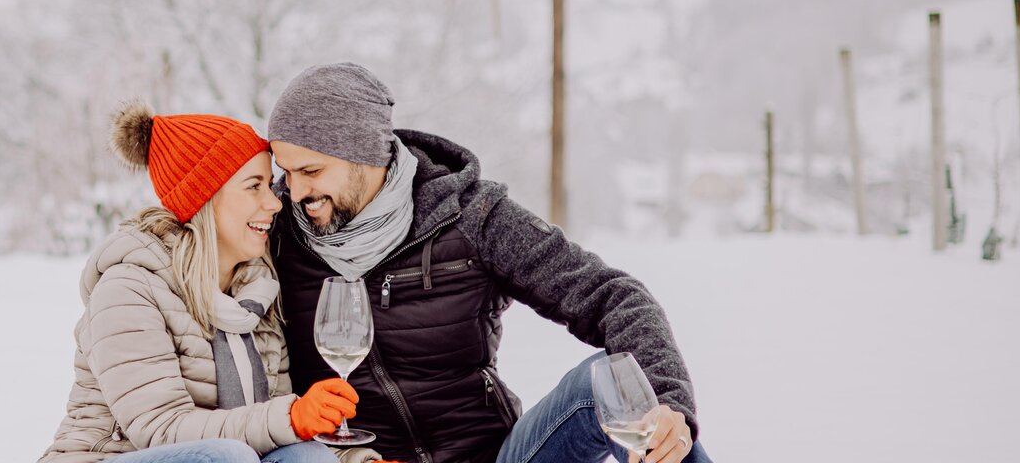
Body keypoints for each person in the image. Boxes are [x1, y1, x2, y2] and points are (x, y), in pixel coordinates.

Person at [264, 63, 712, 463]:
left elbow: (612, 297)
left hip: (492, 456)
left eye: (312, 171)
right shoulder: (274, 231)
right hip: (357, 460)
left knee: (616, 392)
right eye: (286, 171)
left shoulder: (471, 218)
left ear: (364, 154)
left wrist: (671, 403)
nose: (296, 191)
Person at [40, 103, 384, 463]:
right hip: (110, 458)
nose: (275, 202)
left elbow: (270, 433)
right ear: (203, 198)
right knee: (227, 457)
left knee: (308, 456)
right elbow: (160, 429)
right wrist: (290, 417)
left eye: (269, 185)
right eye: (253, 187)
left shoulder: (258, 293)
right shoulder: (129, 289)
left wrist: (354, 460)